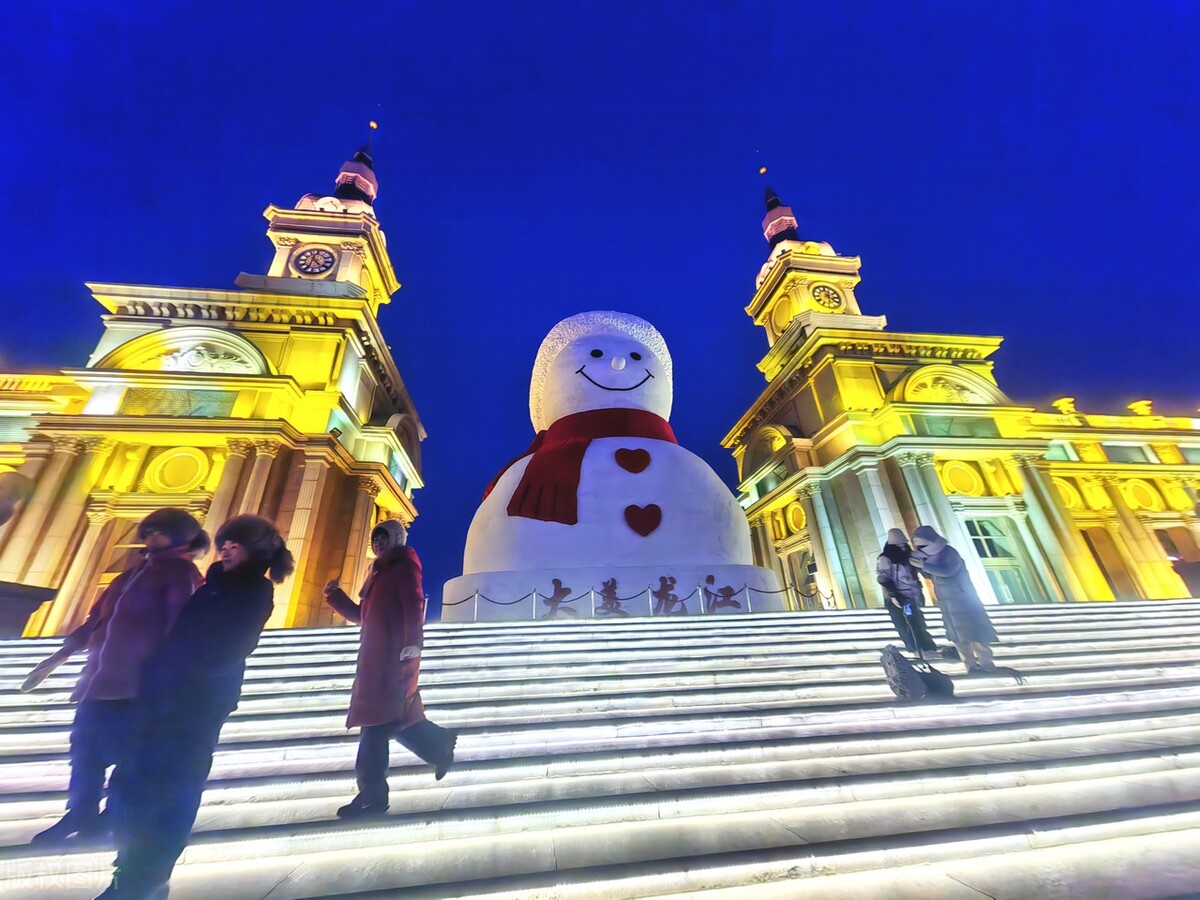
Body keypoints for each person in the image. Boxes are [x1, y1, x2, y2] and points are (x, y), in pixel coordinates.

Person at [100, 515, 292, 899]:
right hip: (167, 697)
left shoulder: (253, 590)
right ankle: (132, 870)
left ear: (255, 551)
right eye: (223, 542)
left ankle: (146, 877)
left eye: (234, 544)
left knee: (172, 789)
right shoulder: (215, 585)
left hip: (195, 703)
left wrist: (184, 673)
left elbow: (231, 648)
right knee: (144, 782)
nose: (224, 549)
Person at [29, 509, 208, 845]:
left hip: (138, 685)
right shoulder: (130, 575)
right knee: (84, 751)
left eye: (162, 532)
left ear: (182, 535)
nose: (153, 537)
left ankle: (113, 817)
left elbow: (180, 626)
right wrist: (57, 657)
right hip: (99, 683)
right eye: (150, 530)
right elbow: (96, 620)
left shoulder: (181, 573)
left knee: (129, 756)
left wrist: (172, 681)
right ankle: (80, 814)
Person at [324, 520, 457, 819]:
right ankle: (438, 745)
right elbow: (364, 616)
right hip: (374, 659)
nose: (379, 545)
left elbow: (413, 604)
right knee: (389, 721)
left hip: (394, 657)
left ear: (396, 538)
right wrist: (335, 597)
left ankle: (372, 795)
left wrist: (414, 643)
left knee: (375, 726)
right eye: (375, 541)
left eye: (384, 539)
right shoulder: (378, 573)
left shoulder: (403, 567)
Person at [910, 524, 999, 673]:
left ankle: (987, 664)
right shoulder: (928, 557)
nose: (920, 549)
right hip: (947, 603)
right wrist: (920, 567)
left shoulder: (949, 553)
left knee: (977, 634)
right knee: (959, 637)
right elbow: (930, 576)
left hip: (964, 599)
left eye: (922, 545)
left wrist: (924, 566)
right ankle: (970, 665)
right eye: (917, 546)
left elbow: (948, 571)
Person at [875, 527, 940, 657]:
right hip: (900, 598)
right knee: (906, 624)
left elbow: (918, 574)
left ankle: (926, 647)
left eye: (903, 544)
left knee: (918, 621)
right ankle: (916, 649)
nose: (902, 546)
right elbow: (883, 578)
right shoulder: (885, 558)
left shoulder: (909, 556)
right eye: (899, 544)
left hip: (912, 595)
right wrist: (893, 595)